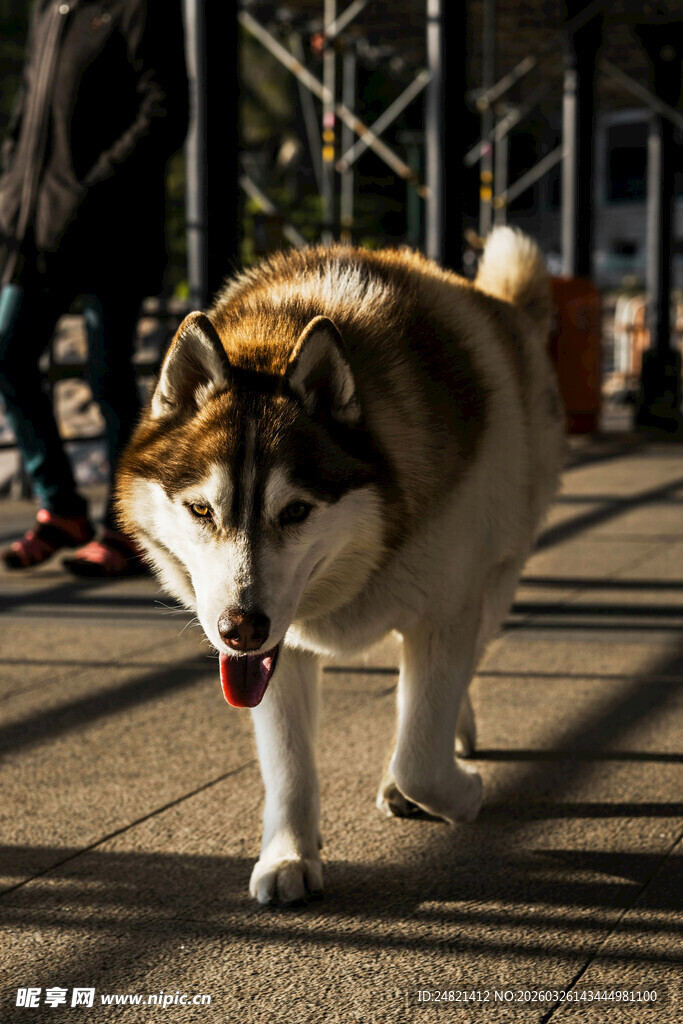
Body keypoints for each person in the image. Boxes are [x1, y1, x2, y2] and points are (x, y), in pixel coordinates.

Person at [0, 0, 188, 576]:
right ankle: (61, 509)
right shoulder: (50, 9)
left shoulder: (138, 9)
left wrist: (93, 191)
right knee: (7, 355)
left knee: (108, 379)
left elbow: (167, 111)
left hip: (110, 233)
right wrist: (10, 186)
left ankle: (124, 528)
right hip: (36, 230)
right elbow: (28, 111)